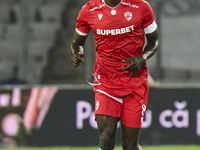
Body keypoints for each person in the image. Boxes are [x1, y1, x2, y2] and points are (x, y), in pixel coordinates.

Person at [70, 0, 159, 150]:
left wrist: (142, 57)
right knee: (106, 137)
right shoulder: (89, 10)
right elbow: (77, 42)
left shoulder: (141, 7)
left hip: (134, 83)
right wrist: (77, 52)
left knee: (129, 146)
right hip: (106, 82)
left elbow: (154, 41)